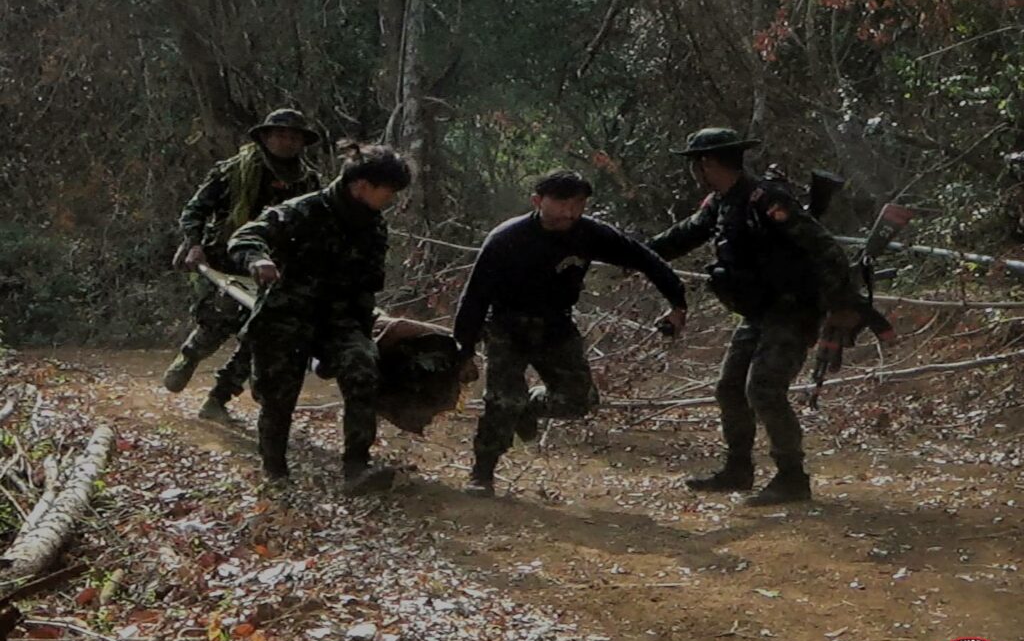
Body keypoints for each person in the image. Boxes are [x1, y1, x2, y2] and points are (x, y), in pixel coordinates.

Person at [649, 127, 859, 505]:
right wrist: (637, 256)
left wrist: (840, 308)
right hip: (758, 312)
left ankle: (792, 477)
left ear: (706, 163)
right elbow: (683, 236)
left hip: (792, 311)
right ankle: (738, 469)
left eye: (695, 163)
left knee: (763, 389)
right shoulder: (720, 202)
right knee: (730, 388)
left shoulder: (766, 199)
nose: (694, 171)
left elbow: (825, 250)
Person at [454, 170, 688, 497]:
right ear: (538, 201)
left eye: (578, 203)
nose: (570, 212)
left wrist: (677, 302)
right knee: (502, 401)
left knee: (579, 401)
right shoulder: (506, 238)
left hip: (557, 326)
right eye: (562, 203)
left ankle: (529, 407)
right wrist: (463, 351)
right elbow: (474, 297)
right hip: (508, 327)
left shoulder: (590, 234)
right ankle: (482, 474)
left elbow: (644, 258)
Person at [227, 143, 411, 489]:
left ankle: (357, 467)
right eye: (388, 190)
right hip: (287, 317)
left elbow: (367, 284)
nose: (392, 198)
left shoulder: (373, 225)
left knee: (363, 370)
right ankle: (275, 471)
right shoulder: (302, 211)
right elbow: (246, 236)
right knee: (277, 395)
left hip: (340, 321)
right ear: (362, 186)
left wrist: (365, 326)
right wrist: (257, 260)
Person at [164, 108, 322, 424]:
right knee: (216, 326)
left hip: (274, 270)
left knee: (260, 334)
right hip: (225, 263)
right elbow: (195, 210)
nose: (287, 141)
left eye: (294, 136)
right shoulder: (234, 171)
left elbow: (318, 226)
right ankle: (190, 356)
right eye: (280, 134)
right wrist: (194, 244)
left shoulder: (310, 182)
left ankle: (218, 398)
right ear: (265, 137)